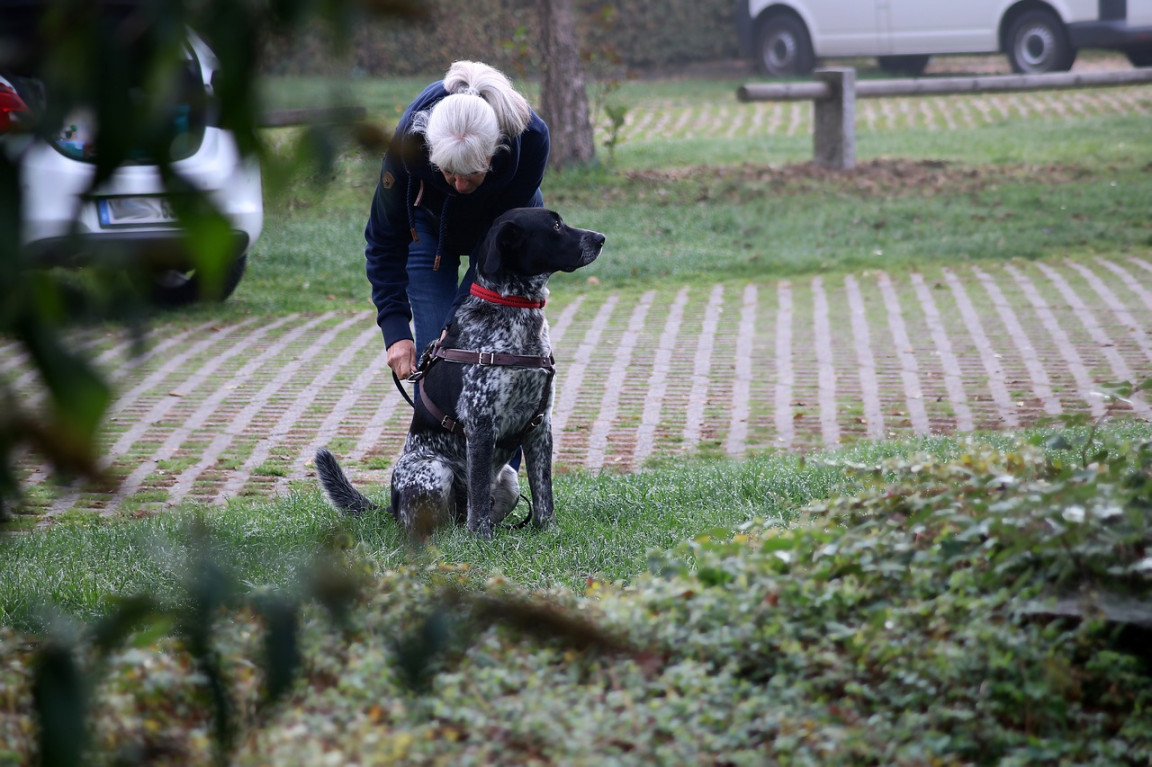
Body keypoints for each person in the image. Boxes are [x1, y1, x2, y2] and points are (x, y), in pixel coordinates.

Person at [364, 60, 550, 381]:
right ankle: (434, 428)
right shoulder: (408, 145)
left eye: (472, 173)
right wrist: (395, 331)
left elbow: (495, 246)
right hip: (428, 223)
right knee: (434, 355)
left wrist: (457, 324)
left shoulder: (531, 138)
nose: (460, 185)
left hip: (503, 227)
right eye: (448, 173)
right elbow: (385, 238)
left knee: (491, 347)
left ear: (495, 152)